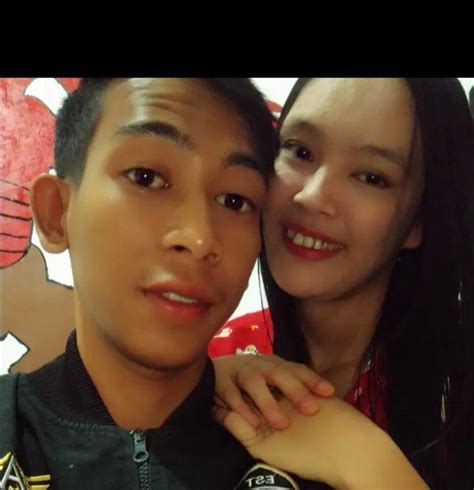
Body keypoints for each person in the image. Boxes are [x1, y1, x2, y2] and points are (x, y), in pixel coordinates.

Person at [0, 77, 284, 489]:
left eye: (234, 201)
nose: (199, 238)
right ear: (56, 211)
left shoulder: (299, 457)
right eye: (146, 177)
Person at [212, 78, 474, 489]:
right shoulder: (217, 364)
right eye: (300, 151)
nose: (312, 196)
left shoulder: (458, 392)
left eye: (371, 177)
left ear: (418, 221)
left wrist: (364, 457)